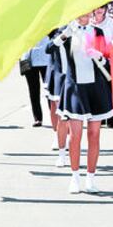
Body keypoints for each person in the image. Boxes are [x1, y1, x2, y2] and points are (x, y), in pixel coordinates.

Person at [50, 15, 113, 194]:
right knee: (75, 135)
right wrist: (65, 34)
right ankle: (75, 177)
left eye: (87, 11)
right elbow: (50, 49)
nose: (83, 14)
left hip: (96, 88)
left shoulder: (98, 32)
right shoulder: (67, 31)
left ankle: (90, 179)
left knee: (94, 134)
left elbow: (108, 61)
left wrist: (100, 57)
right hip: (75, 88)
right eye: (80, 11)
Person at [44, 29, 69, 167]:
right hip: (58, 71)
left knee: (71, 116)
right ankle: (58, 139)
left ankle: (67, 142)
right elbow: (48, 48)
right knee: (57, 109)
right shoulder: (56, 29)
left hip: (77, 75)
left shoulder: (86, 28)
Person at [21, 36, 51, 127]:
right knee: (33, 91)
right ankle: (37, 118)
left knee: (50, 90)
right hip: (28, 59)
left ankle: (54, 116)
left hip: (45, 58)